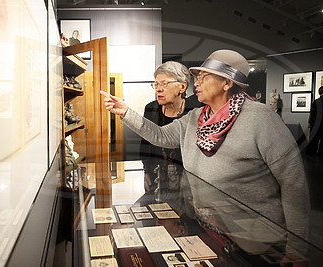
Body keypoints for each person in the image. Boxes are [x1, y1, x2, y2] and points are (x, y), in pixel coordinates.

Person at [100, 49, 309, 260]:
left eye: (204, 77)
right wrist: (126, 112)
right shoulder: (195, 117)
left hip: (255, 241)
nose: (196, 83)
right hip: (208, 230)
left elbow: (293, 184)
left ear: (226, 83)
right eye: (196, 78)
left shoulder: (261, 119)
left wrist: (297, 250)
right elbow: (160, 136)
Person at [139, 61, 203, 194]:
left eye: (164, 84)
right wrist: (146, 171)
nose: (158, 89)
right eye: (156, 84)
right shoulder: (151, 108)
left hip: (188, 180)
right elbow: (145, 144)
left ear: (182, 87)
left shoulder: (196, 110)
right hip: (156, 176)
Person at [307, 86, 323, 156]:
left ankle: (311, 153)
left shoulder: (316, 102)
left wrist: (310, 122)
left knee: (313, 139)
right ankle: (320, 154)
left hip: (315, 124)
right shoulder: (316, 102)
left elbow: (312, 113)